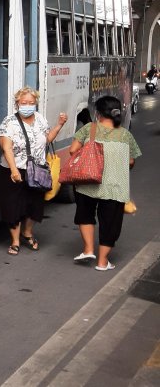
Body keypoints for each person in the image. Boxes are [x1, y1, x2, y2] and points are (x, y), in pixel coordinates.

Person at [69, 96, 141, 271]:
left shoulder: (88, 129)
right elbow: (131, 161)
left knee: (85, 215)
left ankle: (88, 250)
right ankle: (102, 262)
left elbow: (72, 151)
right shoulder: (126, 135)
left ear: (98, 113)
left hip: (87, 182)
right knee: (110, 224)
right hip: (115, 187)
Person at [0, 87, 68, 255]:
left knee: (34, 204)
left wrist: (59, 125)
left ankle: (27, 233)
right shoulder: (9, 123)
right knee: (13, 206)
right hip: (15, 169)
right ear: (17, 104)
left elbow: (47, 140)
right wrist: (14, 170)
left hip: (37, 169)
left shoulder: (40, 119)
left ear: (36, 103)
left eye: (31, 102)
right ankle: (15, 241)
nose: (27, 106)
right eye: (24, 103)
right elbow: (6, 148)